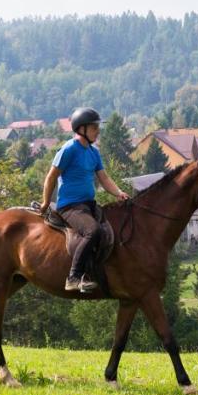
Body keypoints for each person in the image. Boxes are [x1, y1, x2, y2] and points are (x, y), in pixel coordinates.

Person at [40, 107, 130, 293]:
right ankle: (73, 278)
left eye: (97, 128)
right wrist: (46, 202)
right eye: (94, 128)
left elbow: (104, 178)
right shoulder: (69, 150)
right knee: (92, 231)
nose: (98, 131)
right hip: (69, 207)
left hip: (88, 205)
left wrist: (119, 193)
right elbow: (50, 177)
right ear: (81, 129)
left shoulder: (94, 152)